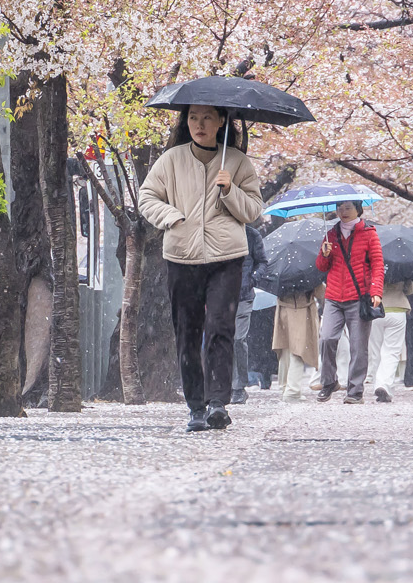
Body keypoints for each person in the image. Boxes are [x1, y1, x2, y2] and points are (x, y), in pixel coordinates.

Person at [137, 105, 265, 432]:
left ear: (222, 121)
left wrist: (230, 190)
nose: (199, 124)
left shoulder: (236, 162)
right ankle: (196, 406)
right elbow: (147, 197)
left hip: (227, 257)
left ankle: (218, 403)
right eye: (193, 117)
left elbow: (253, 211)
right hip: (182, 256)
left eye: (207, 117)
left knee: (221, 328)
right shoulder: (171, 160)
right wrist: (172, 218)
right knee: (188, 333)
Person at [314, 200, 384, 403]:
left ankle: (355, 391)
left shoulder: (369, 233)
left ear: (358, 210)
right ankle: (329, 382)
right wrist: (324, 254)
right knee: (326, 338)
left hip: (359, 297)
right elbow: (321, 266)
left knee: (358, 345)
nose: (343, 212)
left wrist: (376, 291)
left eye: (348, 208)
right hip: (334, 297)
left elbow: (378, 264)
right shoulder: (330, 234)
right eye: (340, 208)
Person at [228, 223, 267, 403]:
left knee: (238, 339)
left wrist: (252, 279)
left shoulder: (252, 235)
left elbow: (262, 262)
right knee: (221, 340)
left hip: (244, 296)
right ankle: (221, 384)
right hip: (220, 295)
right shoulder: (218, 231)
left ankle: (238, 386)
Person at [369, 275, 413, 403]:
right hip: (397, 308)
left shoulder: (374, 261)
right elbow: (410, 289)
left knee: (376, 351)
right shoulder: (403, 262)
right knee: (392, 351)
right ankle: (384, 385)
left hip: (376, 307)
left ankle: (377, 384)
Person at [273, 287, 320, 399]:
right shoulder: (306, 273)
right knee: (298, 349)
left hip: (283, 308)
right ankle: (292, 390)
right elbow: (320, 292)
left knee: (285, 349)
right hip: (301, 309)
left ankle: (284, 387)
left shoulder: (280, 272)